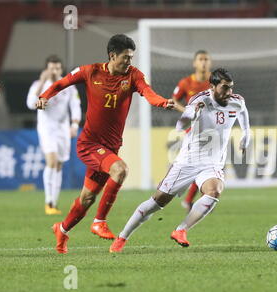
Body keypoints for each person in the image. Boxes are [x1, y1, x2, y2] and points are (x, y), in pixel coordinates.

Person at [36, 34, 175, 254]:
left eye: (131, 57)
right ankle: (99, 221)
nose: (129, 62)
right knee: (120, 170)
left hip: (109, 147)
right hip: (89, 144)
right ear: (112, 55)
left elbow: (149, 93)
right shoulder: (90, 71)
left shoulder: (133, 76)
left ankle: (61, 229)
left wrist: (162, 102)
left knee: (87, 197)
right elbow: (62, 82)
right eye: (125, 57)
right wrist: (45, 96)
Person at [110, 68, 250, 253]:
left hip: (212, 163)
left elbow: (243, 114)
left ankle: (181, 230)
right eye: (224, 88)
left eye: (231, 88)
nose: (229, 92)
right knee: (157, 202)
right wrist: (192, 116)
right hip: (188, 161)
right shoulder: (200, 101)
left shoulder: (236, 102)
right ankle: (122, 236)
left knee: (214, 191)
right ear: (212, 87)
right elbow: (180, 126)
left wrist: (246, 136)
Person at [27, 55, 81, 215]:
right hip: (46, 128)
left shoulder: (69, 86)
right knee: (51, 161)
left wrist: (74, 125)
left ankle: (54, 202)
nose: (54, 71)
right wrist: (42, 82)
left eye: (57, 68)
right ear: (46, 69)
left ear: (61, 69)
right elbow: (31, 104)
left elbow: (75, 106)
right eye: (51, 68)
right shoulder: (39, 85)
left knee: (59, 164)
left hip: (62, 129)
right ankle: (48, 201)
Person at [172, 50, 212, 212]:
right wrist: (189, 112)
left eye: (206, 59)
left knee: (209, 165)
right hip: (192, 130)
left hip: (212, 129)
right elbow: (174, 100)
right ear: (194, 63)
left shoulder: (215, 81)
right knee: (202, 165)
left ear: (210, 63)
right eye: (200, 59)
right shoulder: (186, 82)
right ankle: (190, 199)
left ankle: (191, 200)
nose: (203, 62)